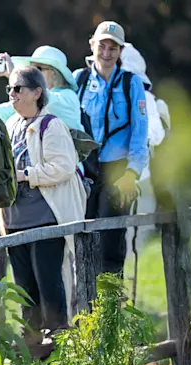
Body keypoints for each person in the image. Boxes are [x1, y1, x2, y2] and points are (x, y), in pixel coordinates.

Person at [0, 67, 85, 351]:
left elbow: (64, 167)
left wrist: (26, 175)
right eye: (9, 89)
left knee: (49, 284)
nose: (11, 94)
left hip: (46, 218)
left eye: (18, 88)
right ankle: (32, 348)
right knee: (24, 289)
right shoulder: (10, 125)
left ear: (37, 92)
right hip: (14, 220)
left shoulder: (52, 125)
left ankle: (59, 347)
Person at [73, 21, 149, 278]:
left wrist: (132, 173)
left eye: (113, 48)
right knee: (83, 239)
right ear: (92, 45)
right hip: (85, 170)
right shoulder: (78, 80)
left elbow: (140, 132)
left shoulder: (131, 83)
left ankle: (111, 300)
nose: (106, 53)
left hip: (118, 171)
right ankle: (85, 301)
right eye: (102, 46)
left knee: (110, 242)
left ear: (121, 51)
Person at [119, 43, 166, 256]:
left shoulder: (145, 98)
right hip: (109, 176)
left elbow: (156, 134)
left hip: (139, 180)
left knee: (131, 246)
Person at [0, 46, 85, 131]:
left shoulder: (69, 97)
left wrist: (16, 76)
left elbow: (46, 99)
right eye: (30, 68)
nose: (32, 72)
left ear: (54, 74)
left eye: (38, 68)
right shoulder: (28, 100)